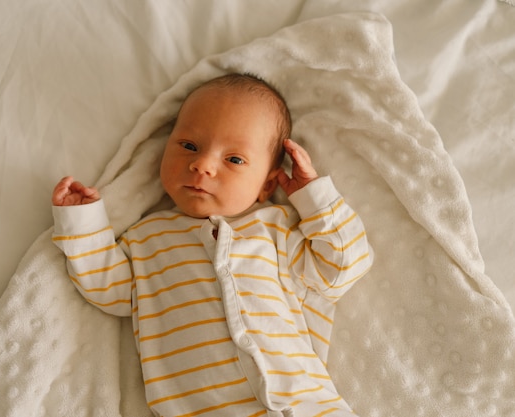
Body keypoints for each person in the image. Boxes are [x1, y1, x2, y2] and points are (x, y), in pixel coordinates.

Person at [51, 74, 373, 417]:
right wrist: (83, 224)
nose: (202, 164)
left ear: (266, 184)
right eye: (189, 146)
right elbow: (108, 287)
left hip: (308, 405)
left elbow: (342, 267)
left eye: (234, 159)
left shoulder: (275, 229)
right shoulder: (146, 239)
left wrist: (313, 199)